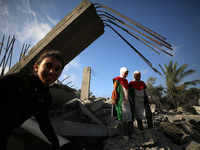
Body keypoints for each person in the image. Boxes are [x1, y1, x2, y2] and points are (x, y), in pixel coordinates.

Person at [0, 50, 64, 150]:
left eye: (57, 69)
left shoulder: (45, 97)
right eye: (48, 66)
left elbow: (44, 123)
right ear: (36, 67)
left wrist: (56, 144)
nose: (52, 72)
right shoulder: (16, 81)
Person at [111, 67, 134, 139]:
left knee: (130, 118)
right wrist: (114, 99)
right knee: (124, 118)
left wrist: (130, 99)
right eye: (125, 72)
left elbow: (128, 91)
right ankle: (125, 134)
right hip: (121, 101)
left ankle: (131, 133)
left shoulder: (126, 81)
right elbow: (114, 90)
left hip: (127, 101)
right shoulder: (117, 79)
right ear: (122, 72)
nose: (126, 74)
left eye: (127, 73)